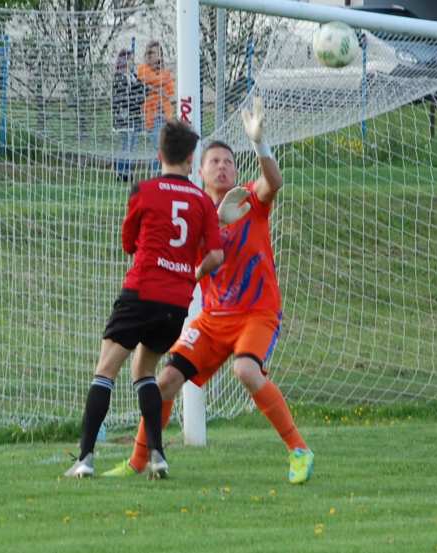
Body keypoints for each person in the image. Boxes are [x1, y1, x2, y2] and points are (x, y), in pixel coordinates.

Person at [103, 97, 315, 485]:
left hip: (257, 312)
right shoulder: (195, 211)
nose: (222, 166)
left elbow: (275, 182)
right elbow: (186, 268)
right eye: (213, 161)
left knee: (246, 369)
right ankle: (137, 460)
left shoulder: (249, 199)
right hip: (214, 319)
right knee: (165, 381)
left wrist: (259, 144)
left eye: (228, 162)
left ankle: (299, 449)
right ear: (198, 170)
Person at [64, 119, 224, 479]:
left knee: (106, 370)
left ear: (159, 154)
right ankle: (157, 456)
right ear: (190, 159)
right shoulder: (201, 200)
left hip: (141, 291)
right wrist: (189, 273)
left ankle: (85, 459)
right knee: (145, 371)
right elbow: (215, 256)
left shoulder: (144, 190)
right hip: (175, 303)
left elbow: (128, 244)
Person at [137, 41, 175, 173]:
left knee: (164, 147)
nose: (150, 56)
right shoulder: (142, 69)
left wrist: (157, 88)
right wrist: (160, 88)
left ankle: (160, 174)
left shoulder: (165, 73)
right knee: (158, 147)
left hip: (164, 116)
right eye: (148, 53)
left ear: (160, 56)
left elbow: (170, 92)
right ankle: (157, 175)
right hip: (151, 116)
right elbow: (149, 80)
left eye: (153, 53)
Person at [112, 48, 146, 182]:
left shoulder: (134, 76)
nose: (132, 62)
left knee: (132, 146)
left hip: (136, 117)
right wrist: (133, 94)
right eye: (130, 59)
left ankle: (128, 170)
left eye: (133, 60)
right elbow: (121, 98)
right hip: (125, 118)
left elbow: (141, 93)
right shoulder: (119, 77)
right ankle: (121, 172)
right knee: (126, 145)